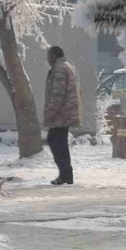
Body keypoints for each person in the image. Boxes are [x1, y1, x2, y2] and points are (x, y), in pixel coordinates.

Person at [44, 46, 81, 185]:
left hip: (61, 114)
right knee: (59, 142)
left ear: (54, 55)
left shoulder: (59, 69)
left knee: (55, 142)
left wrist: (50, 112)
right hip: (65, 112)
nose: (47, 59)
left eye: (48, 56)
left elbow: (58, 94)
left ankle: (65, 175)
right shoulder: (66, 66)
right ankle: (65, 175)